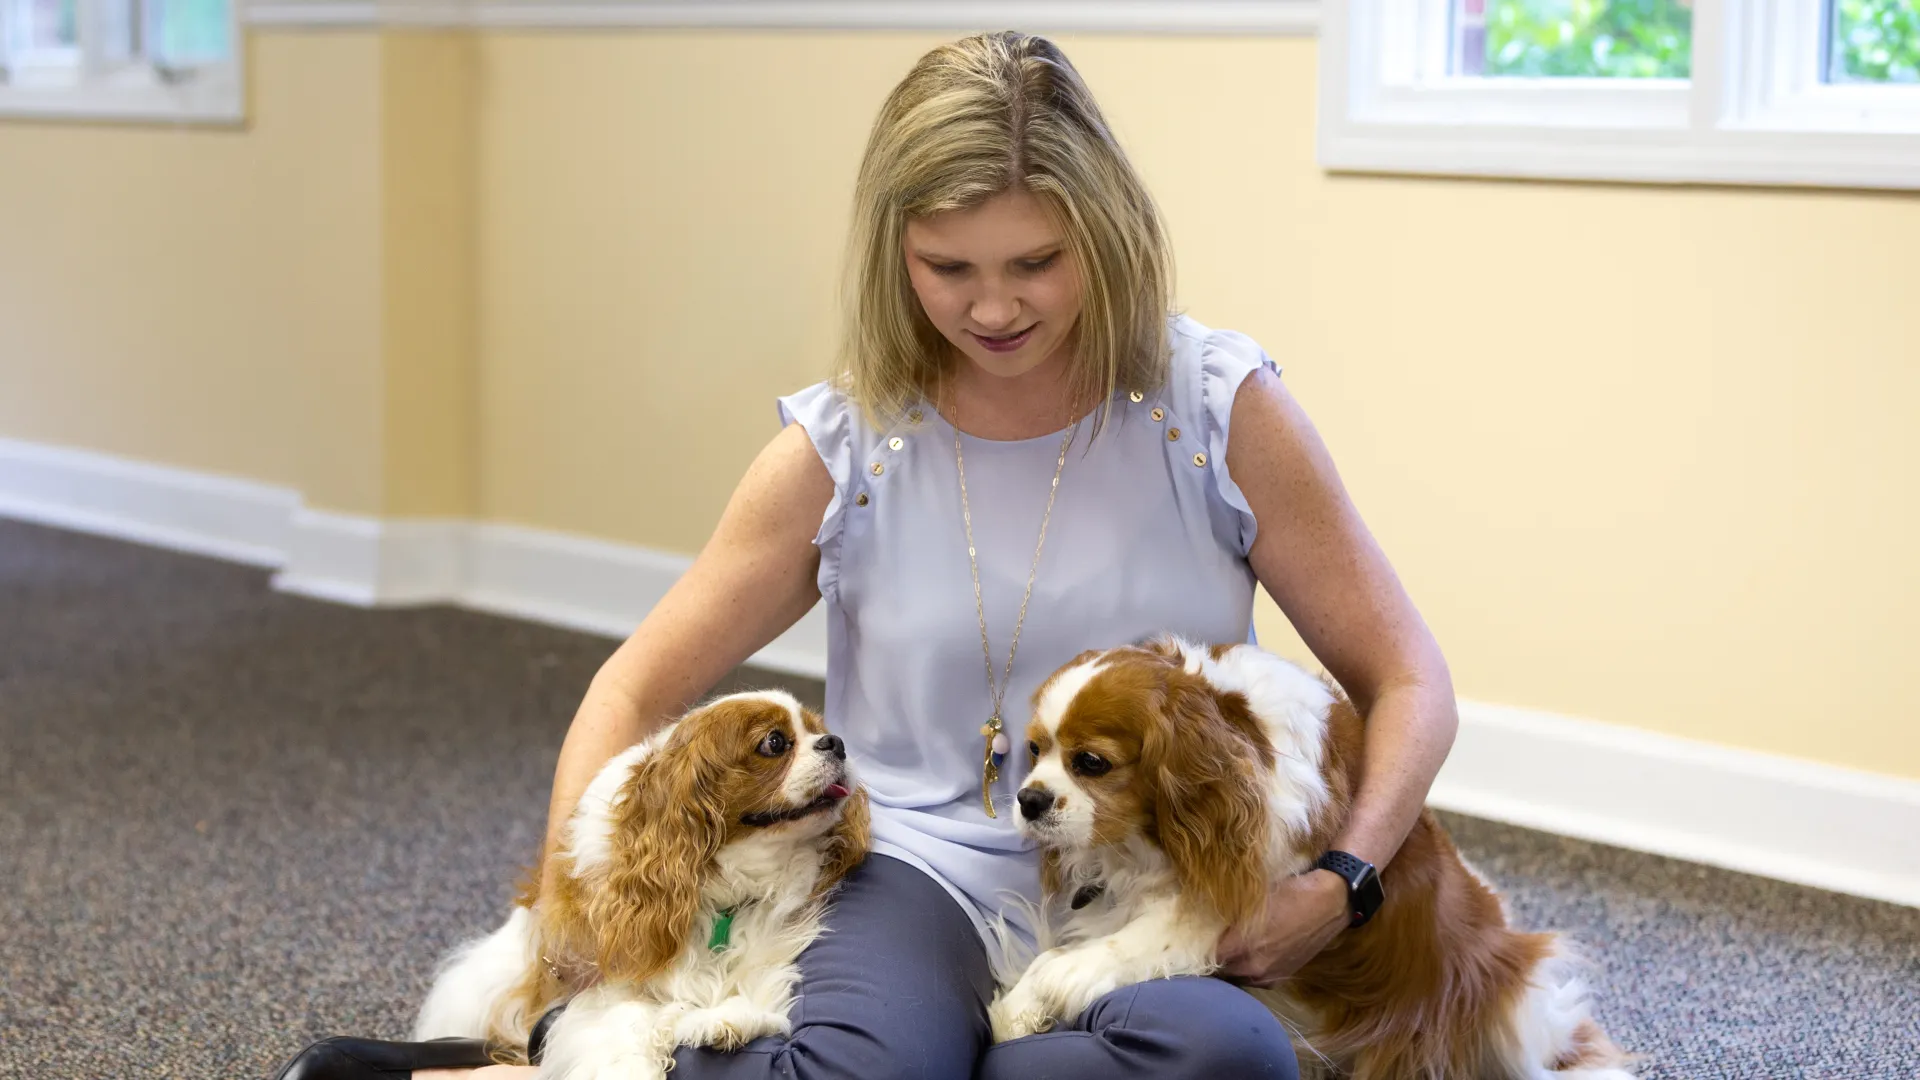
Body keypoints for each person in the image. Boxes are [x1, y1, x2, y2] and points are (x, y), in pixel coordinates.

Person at [274, 30, 1457, 1080]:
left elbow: (1409, 681)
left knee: (1226, 1055)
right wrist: (568, 930)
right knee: (887, 1059)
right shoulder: (844, 449)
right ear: (896, 250)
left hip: (1151, 890)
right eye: (949, 269)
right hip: (918, 873)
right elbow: (633, 686)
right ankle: (566, 1060)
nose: (992, 308)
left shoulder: (1215, 409)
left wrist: (1338, 882)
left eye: (1034, 263)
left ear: (1106, 237)